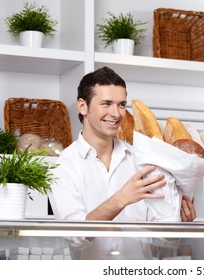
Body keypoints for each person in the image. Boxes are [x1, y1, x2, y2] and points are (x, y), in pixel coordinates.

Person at [48, 66, 196, 223]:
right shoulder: (63, 166)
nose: (116, 113)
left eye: (121, 105)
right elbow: (75, 235)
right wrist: (121, 199)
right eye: (106, 104)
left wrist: (178, 223)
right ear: (82, 106)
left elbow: (161, 238)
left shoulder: (142, 159)